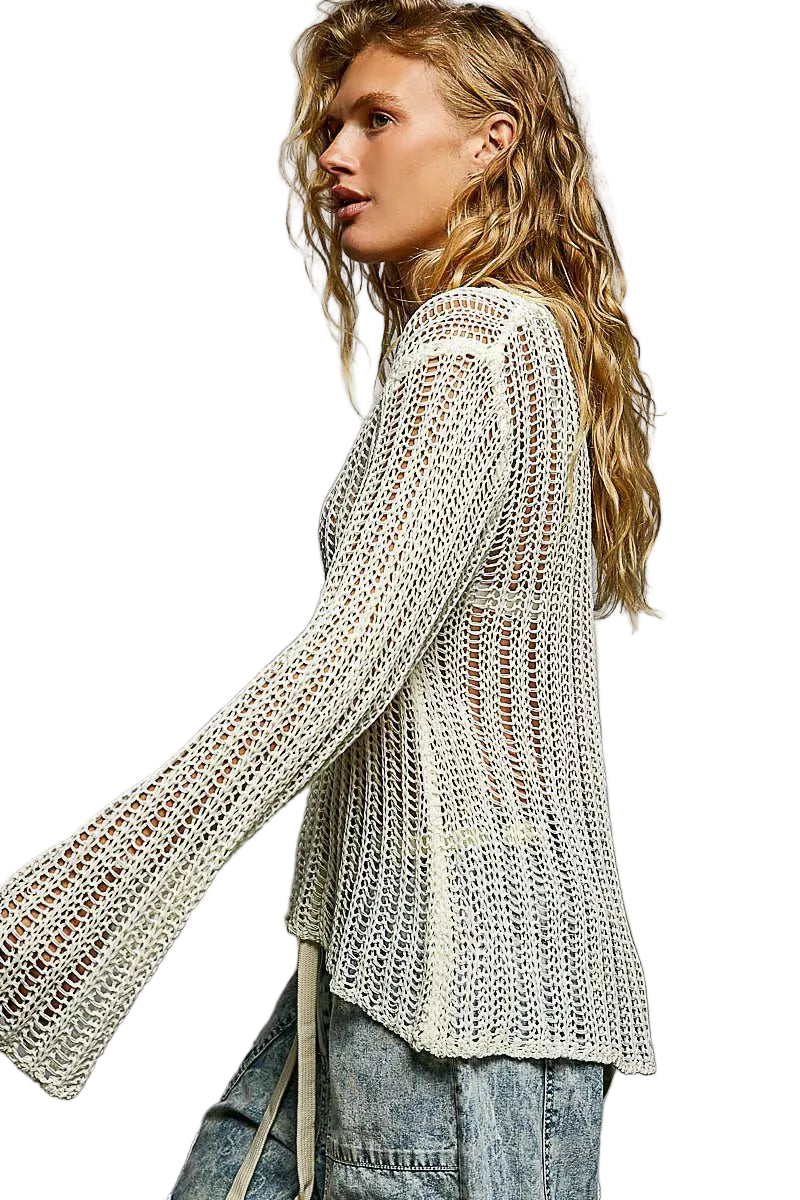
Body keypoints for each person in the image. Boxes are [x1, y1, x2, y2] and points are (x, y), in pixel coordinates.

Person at [0, 2, 661, 1198]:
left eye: (376, 120)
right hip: (405, 971)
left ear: (492, 142)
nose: (335, 157)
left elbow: (343, 665)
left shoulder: (470, 346)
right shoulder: (521, 343)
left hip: (451, 1018)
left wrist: (77, 899)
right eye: (328, 128)